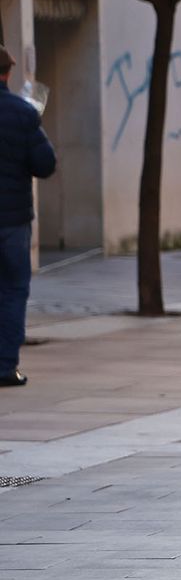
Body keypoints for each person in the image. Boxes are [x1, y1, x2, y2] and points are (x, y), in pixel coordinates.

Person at [0, 46, 58, 388]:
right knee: (12, 291)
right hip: (12, 222)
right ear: (8, 74)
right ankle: (5, 366)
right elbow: (46, 164)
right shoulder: (23, 113)